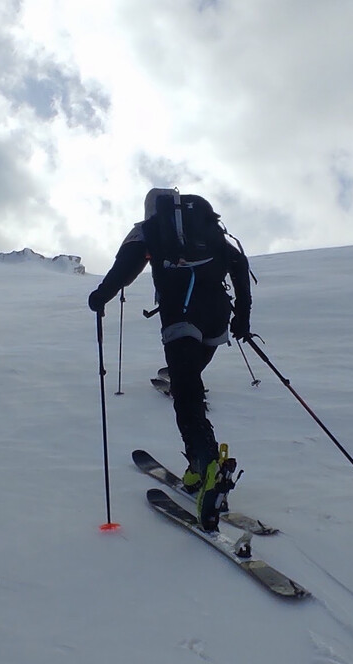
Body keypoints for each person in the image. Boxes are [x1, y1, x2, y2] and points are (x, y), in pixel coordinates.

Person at [88, 188, 252, 530]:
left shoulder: (150, 229)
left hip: (181, 315)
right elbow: (238, 262)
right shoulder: (206, 228)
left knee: (186, 392)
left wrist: (101, 296)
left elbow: (125, 267)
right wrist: (243, 317)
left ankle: (206, 464)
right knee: (189, 381)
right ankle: (197, 468)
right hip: (217, 316)